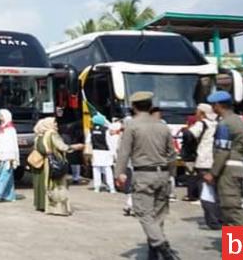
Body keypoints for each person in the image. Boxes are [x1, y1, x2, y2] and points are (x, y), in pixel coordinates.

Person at [116, 91, 179, 260]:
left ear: (133, 107)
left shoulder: (133, 126)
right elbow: (171, 154)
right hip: (162, 174)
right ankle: (154, 253)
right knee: (158, 216)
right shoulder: (162, 126)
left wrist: (119, 173)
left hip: (144, 174)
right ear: (150, 106)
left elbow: (124, 152)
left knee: (144, 214)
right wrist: (171, 175)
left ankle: (164, 249)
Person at [204, 90, 243, 227]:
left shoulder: (224, 124)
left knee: (231, 209)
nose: (213, 108)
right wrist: (240, 155)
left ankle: (241, 248)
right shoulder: (240, 121)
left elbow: (222, 151)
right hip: (237, 166)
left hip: (227, 169)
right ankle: (236, 246)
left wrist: (212, 173)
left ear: (218, 105)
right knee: (233, 207)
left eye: (213, 105)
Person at [31, 117, 83, 216]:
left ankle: (44, 205)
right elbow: (62, 147)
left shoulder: (39, 136)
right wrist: (75, 147)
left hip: (44, 163)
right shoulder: (52, 134)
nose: (56, 125)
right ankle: (58, 208)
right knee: (57, 185)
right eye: (54, 123)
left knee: (47, 185)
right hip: (54, 163)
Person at [188, 103, 222, 230]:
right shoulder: (219, 123)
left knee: (207, 193)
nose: (195, 114)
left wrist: (190, 152)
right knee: (218, 192)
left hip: (204, 162)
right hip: (218, 162)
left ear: (202, 113)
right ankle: (220, 218)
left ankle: (213, 221)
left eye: (197, 112)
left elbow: (189, 135)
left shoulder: (201, 124)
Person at [0, 109, 19, 202]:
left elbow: (12, 144)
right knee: (7, 176)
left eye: (1, 115)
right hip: (3, 156)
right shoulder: (3, 128)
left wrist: (11, 157)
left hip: (8, 157)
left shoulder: (10, 129)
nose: (0, 117)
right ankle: (9, 196)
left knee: (4, 176)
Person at [89, 113, 116, 194]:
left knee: (96, 170)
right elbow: (109, 142)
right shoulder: (106, 130)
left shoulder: (91, 130)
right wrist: (113, 153)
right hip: (105, 152)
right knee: (108, 170)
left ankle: (97, 188)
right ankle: (111, 188)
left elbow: (88, 141)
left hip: (95, 152)